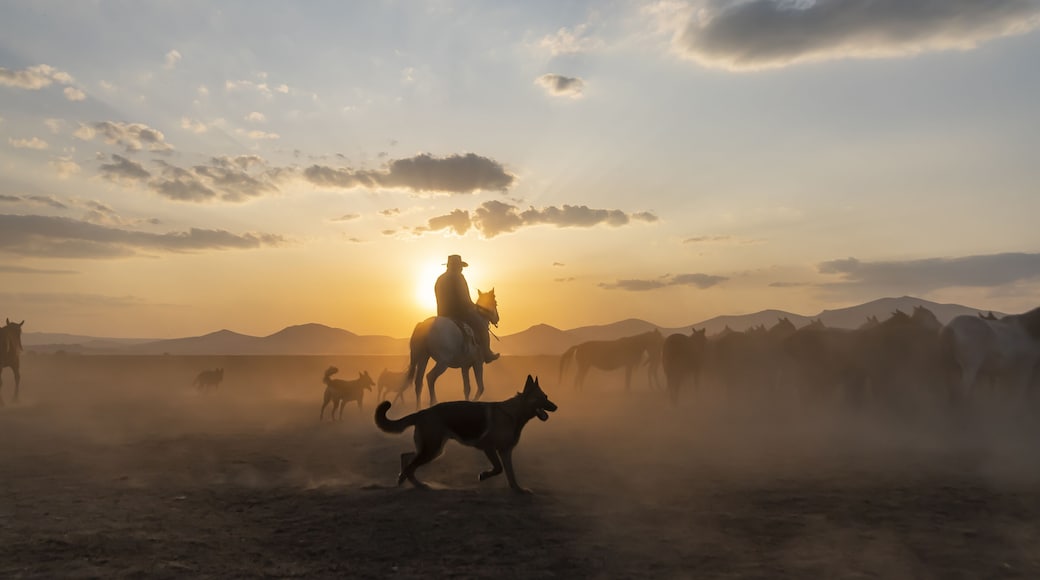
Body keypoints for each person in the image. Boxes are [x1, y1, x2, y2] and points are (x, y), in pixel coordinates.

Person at [435, 254, 499, 363]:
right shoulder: (459, 277)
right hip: (459, 312)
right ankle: (487, 353)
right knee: (482, 326)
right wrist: (474, 307)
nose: (461, 269)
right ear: (457, 266)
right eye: (460, 266)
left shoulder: (440, 279)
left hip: (442, 313)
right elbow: (465, 299)